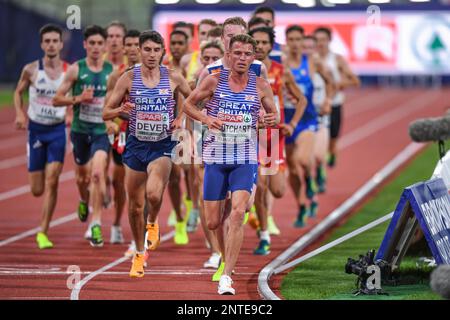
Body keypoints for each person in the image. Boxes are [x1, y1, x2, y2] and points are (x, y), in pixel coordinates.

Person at [184, 34, 279, 295]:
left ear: (253, 57)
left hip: (244, 158)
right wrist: (206, 118)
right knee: (214, 222)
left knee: (237, 214)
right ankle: (224, 251)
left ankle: (227, 274)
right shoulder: (214, 81)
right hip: (215, 158)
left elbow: (273, 115)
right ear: (228, 55)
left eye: (248, 54)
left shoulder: (260, 85)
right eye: (237, 53)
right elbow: (187, 104)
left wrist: (269, 119)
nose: (242, 58)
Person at [103, 30, 191, 277]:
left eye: (156, 50)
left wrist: (180, 119)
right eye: (148, 50)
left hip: (162, 145)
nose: (152, 55)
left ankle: (153, 222)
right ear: (139, 51)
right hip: (136, 145)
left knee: (153, 195)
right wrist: (122, 109)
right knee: (134, 207)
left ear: (163, 52)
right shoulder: (128, 79)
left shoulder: (173, 77)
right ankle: (139, 255)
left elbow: (192, 98)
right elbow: (106, 112)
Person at [53, 25, 114, 247]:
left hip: (100, 131)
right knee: (82, 178)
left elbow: (117, 100)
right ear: (85, 45)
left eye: (100, 43)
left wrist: (114, 119)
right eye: (92, 43)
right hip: (80, 130)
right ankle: (83, 199)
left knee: (97, 174)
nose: (96, 47)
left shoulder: (112, 71)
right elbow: (57, 99)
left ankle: (95, 223)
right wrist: (78, 99)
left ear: (105, 46)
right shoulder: (76, 70)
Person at [249, 27, 307, 254]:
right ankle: (264, 235)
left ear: (271, 46)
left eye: (264, 42)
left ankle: (258, 215)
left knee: (278, 190)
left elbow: (301, 100)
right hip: (253, 136)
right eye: (257, 42)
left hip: (273, 138)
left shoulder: (282, 72)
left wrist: (292, 124)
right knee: (260, 187)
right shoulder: (244, 72)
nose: (260, 46)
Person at [14, 24, 70, 249]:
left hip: (57, 130)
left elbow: (76, 97)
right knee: (37, 189)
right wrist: (19, 112)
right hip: (36, 130)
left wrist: (70, 114)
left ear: (61, 44)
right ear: (41, 44)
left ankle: (43, 231)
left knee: (53, 179)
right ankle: (43, 220)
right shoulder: (31, 70)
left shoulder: (69, 71)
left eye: (55, 41)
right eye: (47, 41)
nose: (51, 45)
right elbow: (18, 92)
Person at [283, 25, 334, 227]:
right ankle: (302, 204)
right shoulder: (281, 65)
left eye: (299, 40)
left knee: (303, 160)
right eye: (292, 40)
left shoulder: (312, 62)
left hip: (307, 118)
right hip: (286, 120)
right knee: (293, 169)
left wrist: (328, 100)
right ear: (287, 42)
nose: (295, 44)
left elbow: (330, 82)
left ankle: (311, 181)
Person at [104, 29, 142, 245]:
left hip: (147, 134)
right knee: (120, 183)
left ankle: (143, 231)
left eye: (136, 44)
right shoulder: (117, 75)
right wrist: (110, 122)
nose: (131, 48)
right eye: (128, 44)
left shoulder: (156, 74)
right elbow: (107, 106)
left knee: (142, 184)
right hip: (122, 133)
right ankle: (117, 224)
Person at [191, 39, 225, 269]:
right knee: (206, 195)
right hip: (203, 137)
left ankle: (225, 245)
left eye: (215, 58)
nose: (211, 62)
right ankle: (214, 250)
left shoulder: (233, 77)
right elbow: (187, 107)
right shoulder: (199, 76)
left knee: (230, 200)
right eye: (206, 58)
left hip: (233, 142)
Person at [314, 26, 360, 168]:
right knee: (315, 141)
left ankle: (331, 154)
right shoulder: (310, 59)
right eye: (317, 40)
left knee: (332, 140)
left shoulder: (337, 59)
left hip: (334, 105)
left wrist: (337, 84)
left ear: (329, 40)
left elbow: (355, 81)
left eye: (323, 40)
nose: (320, 43)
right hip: (315, 106)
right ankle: (319, 168)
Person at [303, 35, 331, 195]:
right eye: (304, 47)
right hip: (303, 118)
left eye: (310, 47)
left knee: (319, 156)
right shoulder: (293, 66)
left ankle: (320, 170)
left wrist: (327, 100)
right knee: (305, 159)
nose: (307, 50)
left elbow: (331, 84)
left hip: (320, 117)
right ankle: (308, 180)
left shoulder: (320, 65)